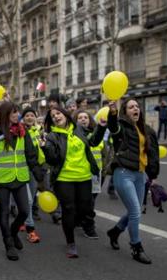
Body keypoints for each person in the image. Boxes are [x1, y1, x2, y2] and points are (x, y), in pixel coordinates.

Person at [41, 106, 108, 258]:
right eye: (53, 116)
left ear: (65, 114)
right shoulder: (52, 136)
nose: (56, 117)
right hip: (64, 178)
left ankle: (76, 223)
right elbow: (53, 160)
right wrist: (45, 147)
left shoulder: (79, 129)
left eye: (58, 113)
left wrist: (102, 128)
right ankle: (70, 242)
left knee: (85, 207)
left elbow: (93, 142)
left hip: (84, 176)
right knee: (68, 208)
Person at [0, 103, 42, 260]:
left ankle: (14, 231)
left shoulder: (23, 131)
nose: (17, 115)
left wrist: (38, 175)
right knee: (3, 212)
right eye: (13, 113)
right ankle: (9, 244)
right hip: (1, 180)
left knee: (24, 211)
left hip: (20, 178)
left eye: (17, 112)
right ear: (5, 115)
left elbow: (30, 154)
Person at [106, 98, 160, 264]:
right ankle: (136, 247)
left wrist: (153, 174)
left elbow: (153, 154)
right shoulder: (121, 126)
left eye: (137, 106)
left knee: (133, 211)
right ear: (125, 111)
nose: (135, 109)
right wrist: (113, 112)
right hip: (123, 173)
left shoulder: (147, 129)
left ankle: (115, 231)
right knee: (136, 211)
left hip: (140, 175)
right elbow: (113, 127)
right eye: (131, 107)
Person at [73, 109, 103, 238]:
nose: (83, 119)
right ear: (75, 121)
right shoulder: (74, 136)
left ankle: (81, 219)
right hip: (83, 173)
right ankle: (88, 225)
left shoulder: (95, 133)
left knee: (92, 199)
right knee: (87, 200)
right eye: (80, 118)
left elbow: (104, 152)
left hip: (97, 173)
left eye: (86, 117)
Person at [20, 108, 46, 243]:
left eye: (32, 115)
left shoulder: (38, 131)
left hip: (36, 169)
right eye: (27, 115)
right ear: (23, 118)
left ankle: (23, 219)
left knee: (30, 198)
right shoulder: (19, 130)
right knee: (28, 200)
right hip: (23, 168)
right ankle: (30, 229)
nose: (29, 118)